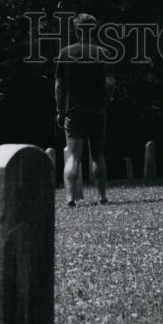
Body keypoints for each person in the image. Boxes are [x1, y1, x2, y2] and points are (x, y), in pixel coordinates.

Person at [55, 13, 115, 206]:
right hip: (97, 110)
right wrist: (107, 99)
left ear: (77, 31)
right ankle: (102, 196)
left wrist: (59, 110)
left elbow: (58, 85)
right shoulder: (102, 52)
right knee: (98, 153)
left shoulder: (65, 53)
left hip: (73, 110)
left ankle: (70, 197)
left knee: (73, 155)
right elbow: (110, 82)